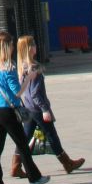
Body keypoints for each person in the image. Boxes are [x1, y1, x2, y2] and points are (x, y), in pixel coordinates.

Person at [0, 31, 47, 184]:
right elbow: (17, 92)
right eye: (11, 44)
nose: (13, 47)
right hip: (7, 111)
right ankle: (35, 178)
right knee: (22, 144)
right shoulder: (9, 68)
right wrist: (28, 79)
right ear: (6, 47)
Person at [15, 35, 84, 176]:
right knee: (52, 135)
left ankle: (15, 166)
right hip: (37, 110)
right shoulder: (35, 68)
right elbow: (35, 93)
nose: (36, 46)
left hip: (28, 109)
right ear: (28, 49)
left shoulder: (21, 68)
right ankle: (67, 163)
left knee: (25, 138)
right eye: (33, 44)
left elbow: (22, 92)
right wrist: (45, 109)